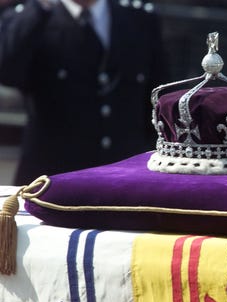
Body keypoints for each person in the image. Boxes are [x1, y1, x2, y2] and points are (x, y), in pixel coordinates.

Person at [0, 0, 168, 185]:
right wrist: (39, 8)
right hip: (51, 180)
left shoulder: (139, 17)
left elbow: (158, 95)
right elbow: (8, 72)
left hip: (122, 178)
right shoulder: (32, 16)